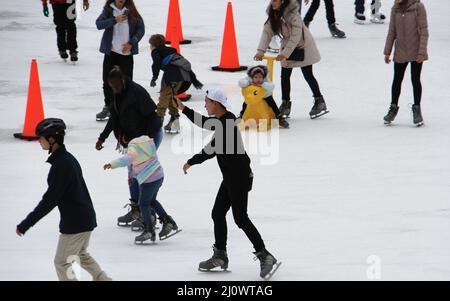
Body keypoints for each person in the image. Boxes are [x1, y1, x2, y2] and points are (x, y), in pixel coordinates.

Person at [172, 88, 280, 280]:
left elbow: (211, 149)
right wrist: (183, 108)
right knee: (218, 213)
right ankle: (220, 254)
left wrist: (191, 161)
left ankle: (265, 255)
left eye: (207, 101)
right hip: (231, 177)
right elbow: (206, 124)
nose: (205, 104)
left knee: (240, 218)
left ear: (216, 103)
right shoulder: (225, 120)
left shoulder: (227, 123)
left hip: (238, 178)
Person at [16, 118, 111, 281]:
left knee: (61, 262)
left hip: (75, 223)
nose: (39, 141)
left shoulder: (61, 165)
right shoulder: (67, 159)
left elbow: (49, 201)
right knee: (81, 254)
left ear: (51, 139)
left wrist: (26, 223)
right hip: (84, 218)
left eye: (41, 137)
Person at [96, 66, 165, 228]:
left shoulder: (137, 93)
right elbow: (114, 118)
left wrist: (146, 141)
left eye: (117, 85)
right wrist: (102, 138)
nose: (115, 89)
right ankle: (137, 208)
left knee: (143, 173)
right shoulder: (118, 95)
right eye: (112, 86)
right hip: (135, 141)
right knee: (133, 173)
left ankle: (149, 213)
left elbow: (152, 117)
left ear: (124, 80)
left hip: (149, 137)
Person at [255, 0, 329, 120]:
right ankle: (285, 104)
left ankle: (319, 101)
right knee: (284, 75)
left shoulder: (294, 15)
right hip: (288, 47)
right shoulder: (273, 14)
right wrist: (260, 51)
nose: (272, 3)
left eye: (275, 0)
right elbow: (267, 32)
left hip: (303, 46)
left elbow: (296, 36)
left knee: (308, 74)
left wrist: (285, 53)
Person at [104, 135, 180, 243]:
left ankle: (149, 229)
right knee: (152, 201)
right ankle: (168, 221)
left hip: (148, 180)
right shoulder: (147, 143)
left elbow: (127, 159)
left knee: (143, 204)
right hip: (158, 176)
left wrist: (112, 164)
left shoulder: (133, 148)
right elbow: (142, 163)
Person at [95, 0, 145, 121]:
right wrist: (114, 20)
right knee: (107, 80)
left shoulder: (131, 11)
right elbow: (99, 24)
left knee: (127, 82)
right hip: (111, 52)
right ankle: (108, 106)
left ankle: (127, 107)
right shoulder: (108, 10)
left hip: (126, 54)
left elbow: (141, 29)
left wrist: (131, 43)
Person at [383, 0, 428, 126]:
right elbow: (392, 31)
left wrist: (421, 52)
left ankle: (417, 109)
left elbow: (424, 31)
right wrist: (387, 51)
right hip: (400, 51)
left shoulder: (418, 7)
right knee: (397, 79)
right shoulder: (395, 9)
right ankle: (393, 107)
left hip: (416, 51)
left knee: (415, 79)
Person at [149, 34, 203, 134]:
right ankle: (174, 120)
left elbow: (156, 63)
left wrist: (154, 77)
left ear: (153, 45)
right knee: (170, 96)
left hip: (173, 75)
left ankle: (157, 122)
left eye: (150, 45)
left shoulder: (156, 51)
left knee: (164, 96)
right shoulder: (171, 51)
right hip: (184, 75)